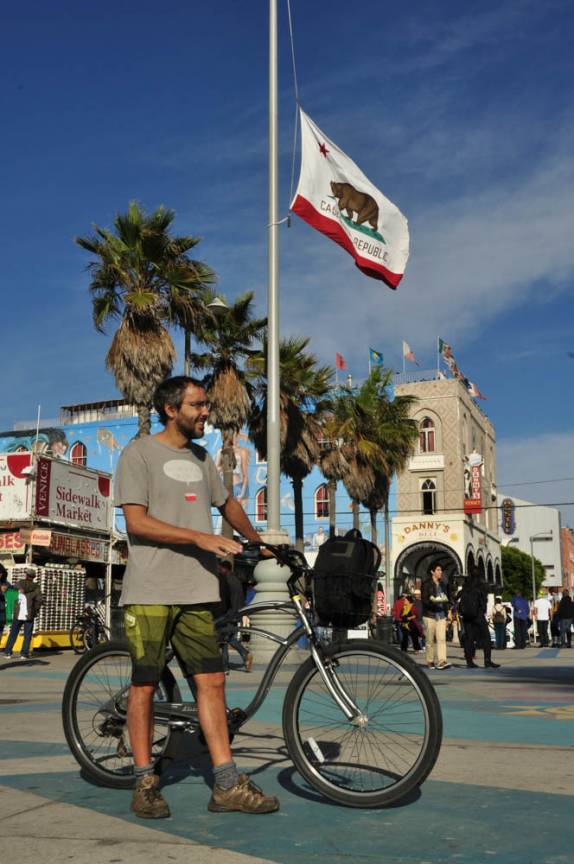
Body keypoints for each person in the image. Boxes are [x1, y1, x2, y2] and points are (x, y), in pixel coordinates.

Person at [114, 376, 279, 820]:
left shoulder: (204, 459)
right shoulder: (139, 453)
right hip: (150, 589)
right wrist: (199, 539)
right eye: (198, 405)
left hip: (197, 591)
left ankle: (225, 783)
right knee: (145, 683)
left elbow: (227, 504)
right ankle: (145, 780)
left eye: (205, 405)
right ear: (172, 409)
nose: (207, 412)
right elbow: (137, 523)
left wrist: (257, 541)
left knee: (212, 682)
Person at [214, 559, 253, 672]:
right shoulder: (236, 580)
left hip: (228, 613)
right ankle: (245, 654)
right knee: (228, 639)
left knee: (223, 641)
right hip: (235, 613)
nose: (219, 570)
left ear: (225, 569)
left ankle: (225, 666)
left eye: (221, 568)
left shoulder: (228, 581)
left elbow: (226, 599)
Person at [460, 569, 500, 669]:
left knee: (469, 638)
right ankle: (487, 661)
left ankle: (469, 662)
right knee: (486, 637)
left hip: (467, 616)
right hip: (478, 615)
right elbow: (484, 599)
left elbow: (457, 597)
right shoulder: (482, 585)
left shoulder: (466, 585)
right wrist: (482, 609)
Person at [2, 570, 43, 659]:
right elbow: (39, 601)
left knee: (13, 633)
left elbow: (11, 591)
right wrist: (34, 610)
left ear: (26, 576)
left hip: (18, 613)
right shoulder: (36, 587)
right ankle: (24, 654)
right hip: (29, 614)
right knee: (27, 635)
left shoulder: (19, 584)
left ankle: (8, 652)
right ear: (33, 577)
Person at [421, 562, 451, 670]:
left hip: (441, 615)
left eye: (441, 570)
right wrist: (433, 601)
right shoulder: (426, 584)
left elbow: (447, 599)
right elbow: (424, 600)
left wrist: (447, 613)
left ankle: (442, 661)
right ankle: (430, 661)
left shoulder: (443, 584)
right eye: (438, 570)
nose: (440, 572)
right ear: (432, 571)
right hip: (429, 615)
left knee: (442, 639)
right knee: (429, 640)